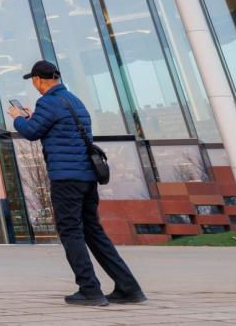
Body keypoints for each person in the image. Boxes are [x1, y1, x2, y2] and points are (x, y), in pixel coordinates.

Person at [10, 59, 146, 307]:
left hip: (66, 179)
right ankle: (129, 287)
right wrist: (33, 117)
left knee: (71, 231)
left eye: (34, 81)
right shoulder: (73, 101)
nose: (35, 85)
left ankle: (90, 289)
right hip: (87, 178)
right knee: (93, 231)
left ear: (39, 80)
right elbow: (54, 128)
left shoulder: (47, 102)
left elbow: (31, 133)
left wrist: (19, 118)